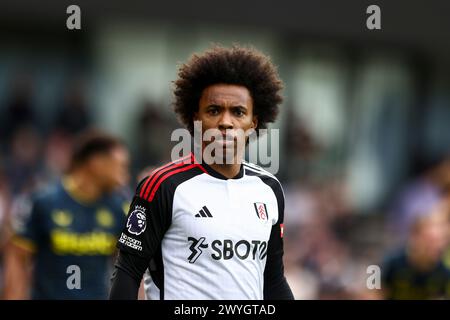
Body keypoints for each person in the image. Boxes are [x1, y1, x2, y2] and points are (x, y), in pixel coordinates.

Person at [110, 45, 294, 300]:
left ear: (253, 122)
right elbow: (127, 273)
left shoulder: (270, 189)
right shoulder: (162, 186)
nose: (226, 122)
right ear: (196, 117)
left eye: (238, 112)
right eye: (214, 110)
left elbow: (273, 280)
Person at [3, 130, 130, 299]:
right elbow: (17, 258)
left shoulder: (119, 208)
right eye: (120, 167)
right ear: (96, 163)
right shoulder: (44, 202)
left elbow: (131, 268)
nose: (124, 177)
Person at [381, 198, 450, 299]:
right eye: (430, 240)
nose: (438, 246)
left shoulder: (444, 274)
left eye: (443, 240)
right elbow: (372, 292)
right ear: (414, 237)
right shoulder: (390, 263)